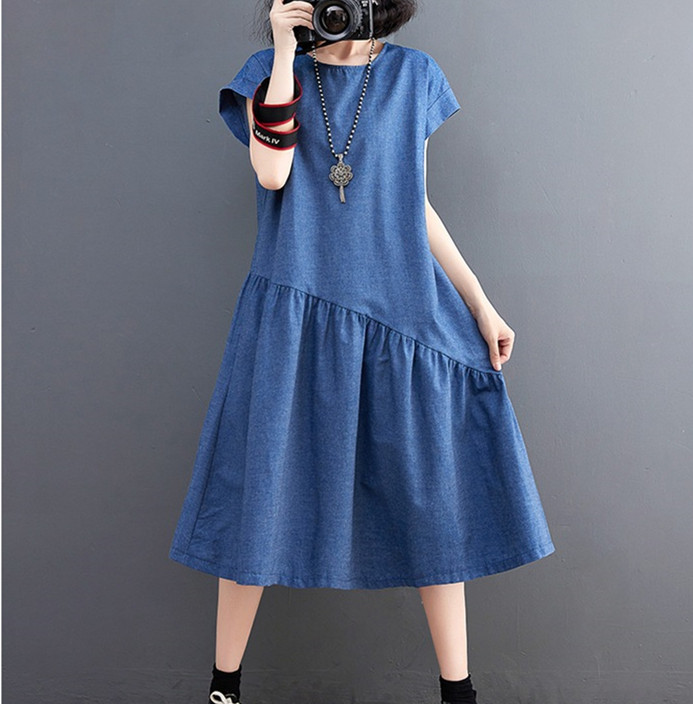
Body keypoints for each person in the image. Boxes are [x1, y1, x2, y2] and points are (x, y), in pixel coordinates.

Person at [168, 2, 556, 703]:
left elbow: (412, 200)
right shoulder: (267, 72)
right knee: (258, 495)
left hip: (403, 308)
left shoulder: (414, 74)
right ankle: (223, 691)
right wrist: (283, 52)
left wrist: (479, 303)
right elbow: (271, 173)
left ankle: (459, 693)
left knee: (433, 500)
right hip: (295, 304)